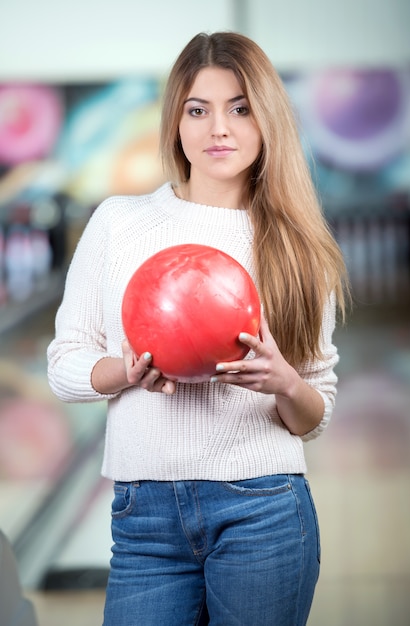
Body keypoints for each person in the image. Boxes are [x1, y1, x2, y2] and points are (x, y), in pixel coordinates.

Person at [47, 31, 348, 626]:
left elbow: (315, 414)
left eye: (240, 108)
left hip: (263, 507)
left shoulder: (298, 249)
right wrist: (126, 371)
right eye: (198, 109)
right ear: (176, 123)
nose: (219, 128)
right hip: (146, 515)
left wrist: (285, 382)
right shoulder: (119, 224)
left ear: (267, 122)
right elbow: (65, 363)